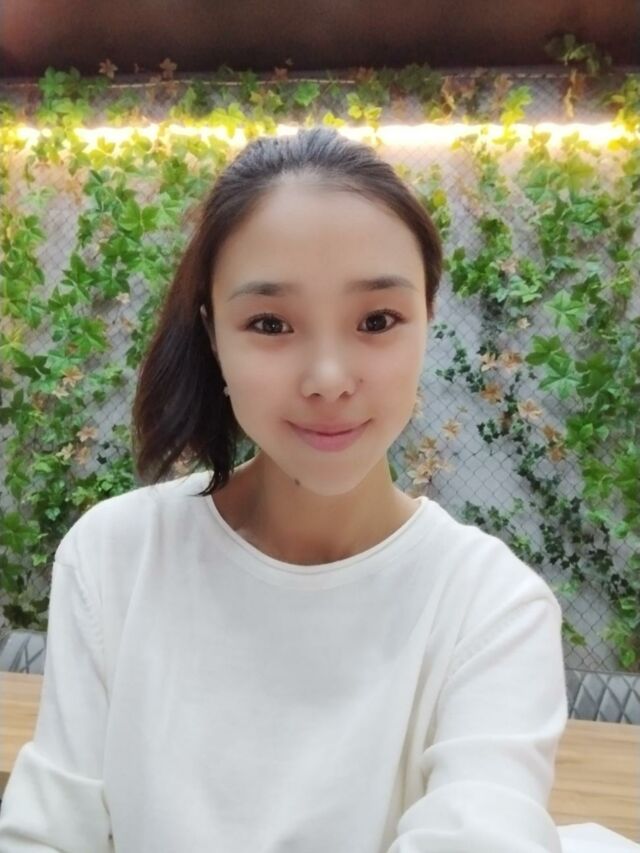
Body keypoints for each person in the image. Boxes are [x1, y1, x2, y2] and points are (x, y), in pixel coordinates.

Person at [0, 126, 568, 852]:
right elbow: (49, 832)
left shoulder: (492, 609)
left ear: (427, 321)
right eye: (270, 323)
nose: (328, 378)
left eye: (377, 320)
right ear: (214, 336)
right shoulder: (116, 558)